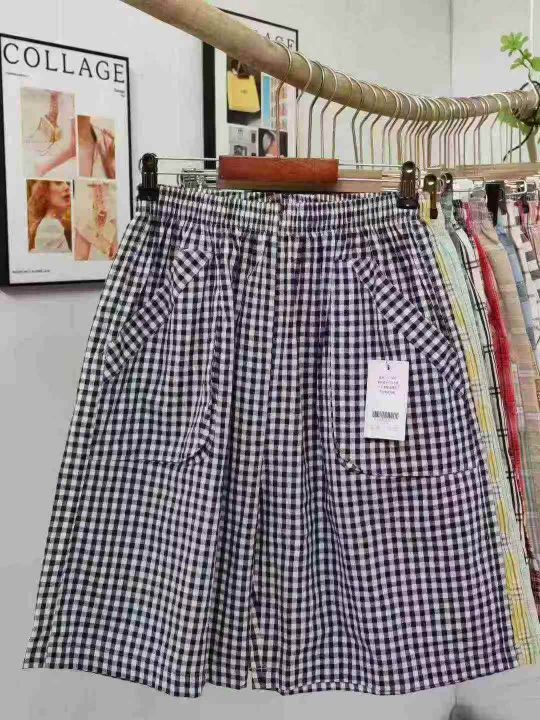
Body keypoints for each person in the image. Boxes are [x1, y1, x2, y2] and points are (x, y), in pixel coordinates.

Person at [27, 180, 71, 253]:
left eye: (67, 183)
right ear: (45, 193)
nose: (67, 187)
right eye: (58, 183)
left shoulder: (51, 223)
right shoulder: (51, 225)